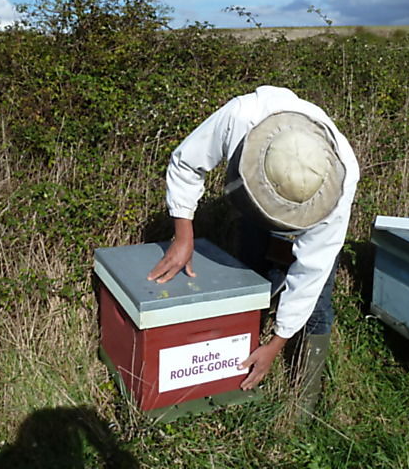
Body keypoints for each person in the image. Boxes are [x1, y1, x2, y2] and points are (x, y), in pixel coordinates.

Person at [148, 85, 359, 416]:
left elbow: (311, 274)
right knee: (251, 277)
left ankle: (302, 405)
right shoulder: (241, 115)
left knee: (317, 306)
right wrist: (183, 235)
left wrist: (276, 346)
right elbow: (186, 163)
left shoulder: (339, 183)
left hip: (312, 217)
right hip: (252, 210)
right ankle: (236, 357)